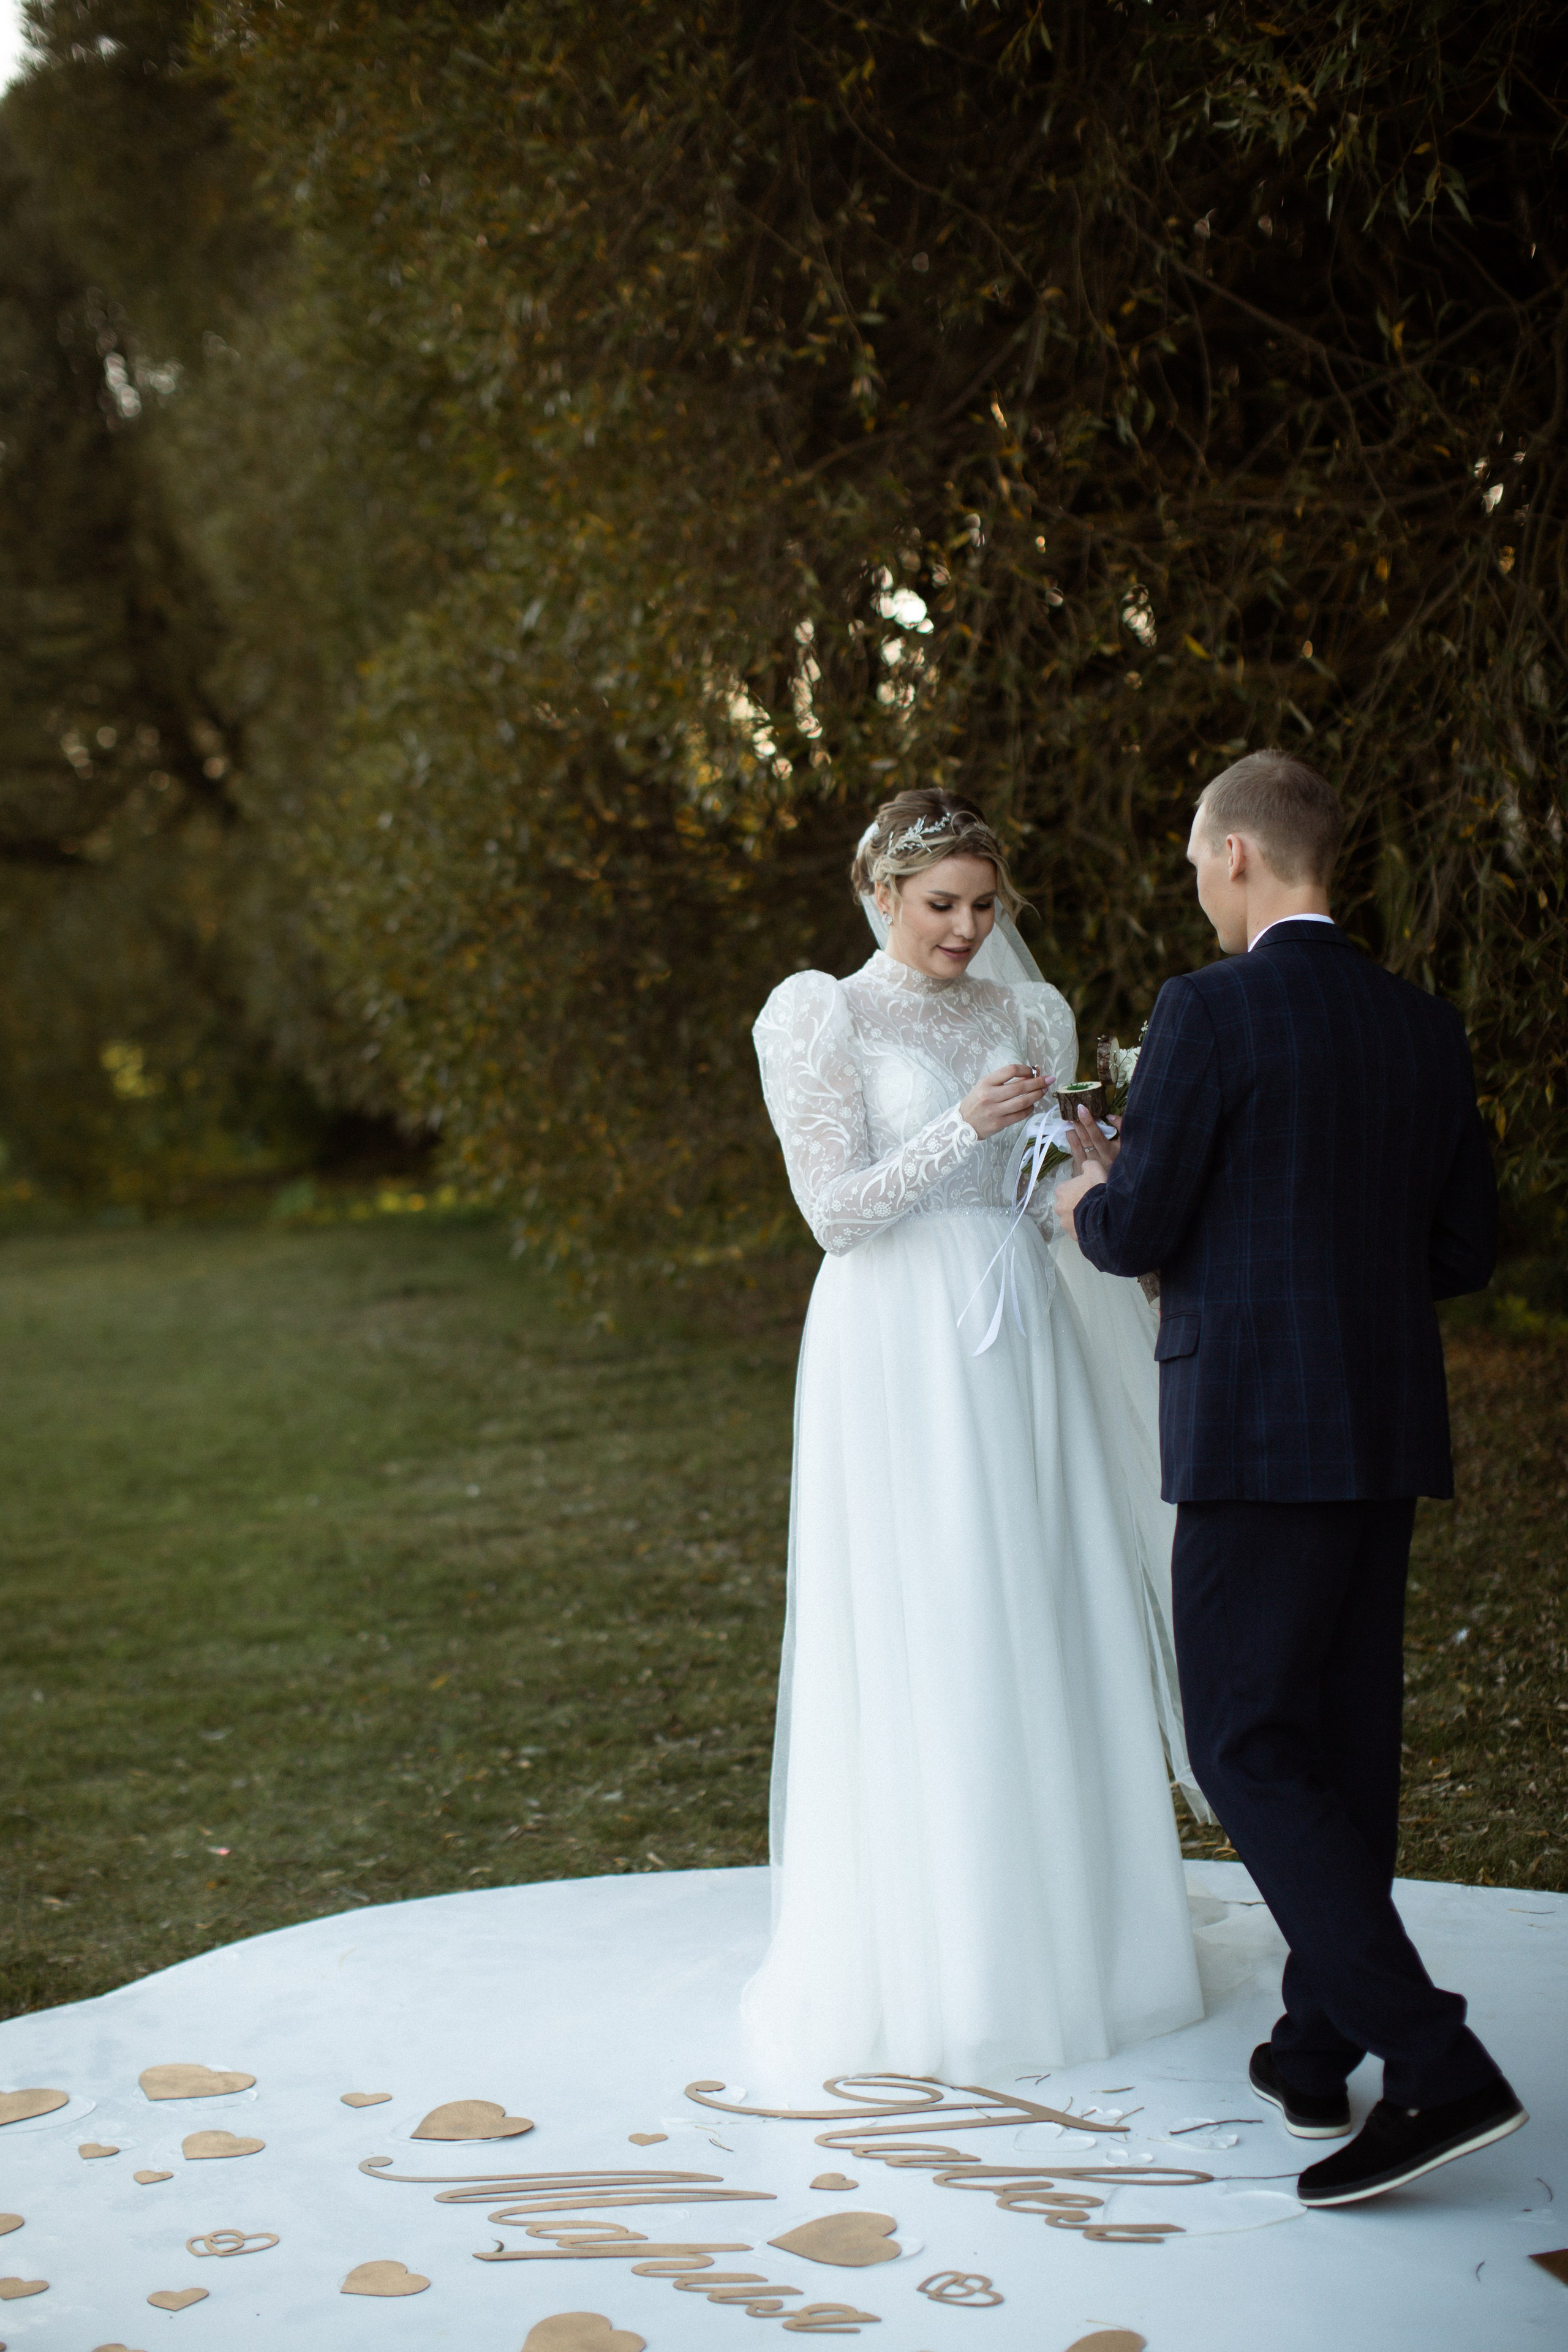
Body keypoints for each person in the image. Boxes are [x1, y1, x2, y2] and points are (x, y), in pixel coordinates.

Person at [1055, 748, 1528, 2207]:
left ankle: (1433, 2063)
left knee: (1245, 1747)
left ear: (1241, 856)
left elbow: (1137, 1230)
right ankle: (1314, 2050)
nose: (1197, 887)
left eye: (1199, 863)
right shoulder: (1416, 1023)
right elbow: (1460, 1246)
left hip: (1254, 1429)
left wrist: (1087, 1183)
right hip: (1377, 1429)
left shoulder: (1207, 1008)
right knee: (1336, 1745)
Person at [741, 789, 1204, 2087]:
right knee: (927, 1609)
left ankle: (1081, 1950)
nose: (964, 927)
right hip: (892, 1344)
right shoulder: (817, 1012)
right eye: (939, 903)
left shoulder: (1032, 1014)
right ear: (877, 896)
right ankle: (938, 1961)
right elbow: (832, 1213)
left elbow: (1041, 1187)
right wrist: (965, 1123)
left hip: (1017, 1330)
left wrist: (1079, 1159)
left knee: (1037, 1597)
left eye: (982, 904)